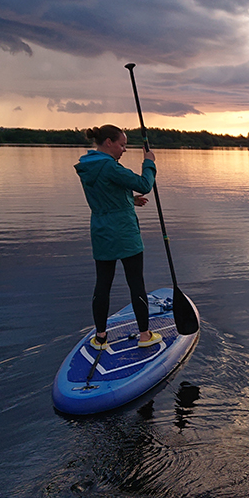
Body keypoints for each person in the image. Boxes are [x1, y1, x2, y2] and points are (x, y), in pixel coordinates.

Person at [75, 124, 162, 349]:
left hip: (101, 231)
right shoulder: (110, 167)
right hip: (124, 232)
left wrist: (129, 200)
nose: (124, 149)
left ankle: (101, 337)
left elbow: (104, 193)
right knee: (136, 283)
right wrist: (149, 162)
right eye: (122, 145)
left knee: (102, 285)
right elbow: (145, 184)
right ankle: (145, 335)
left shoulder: (88, 166)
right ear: (108, 143)